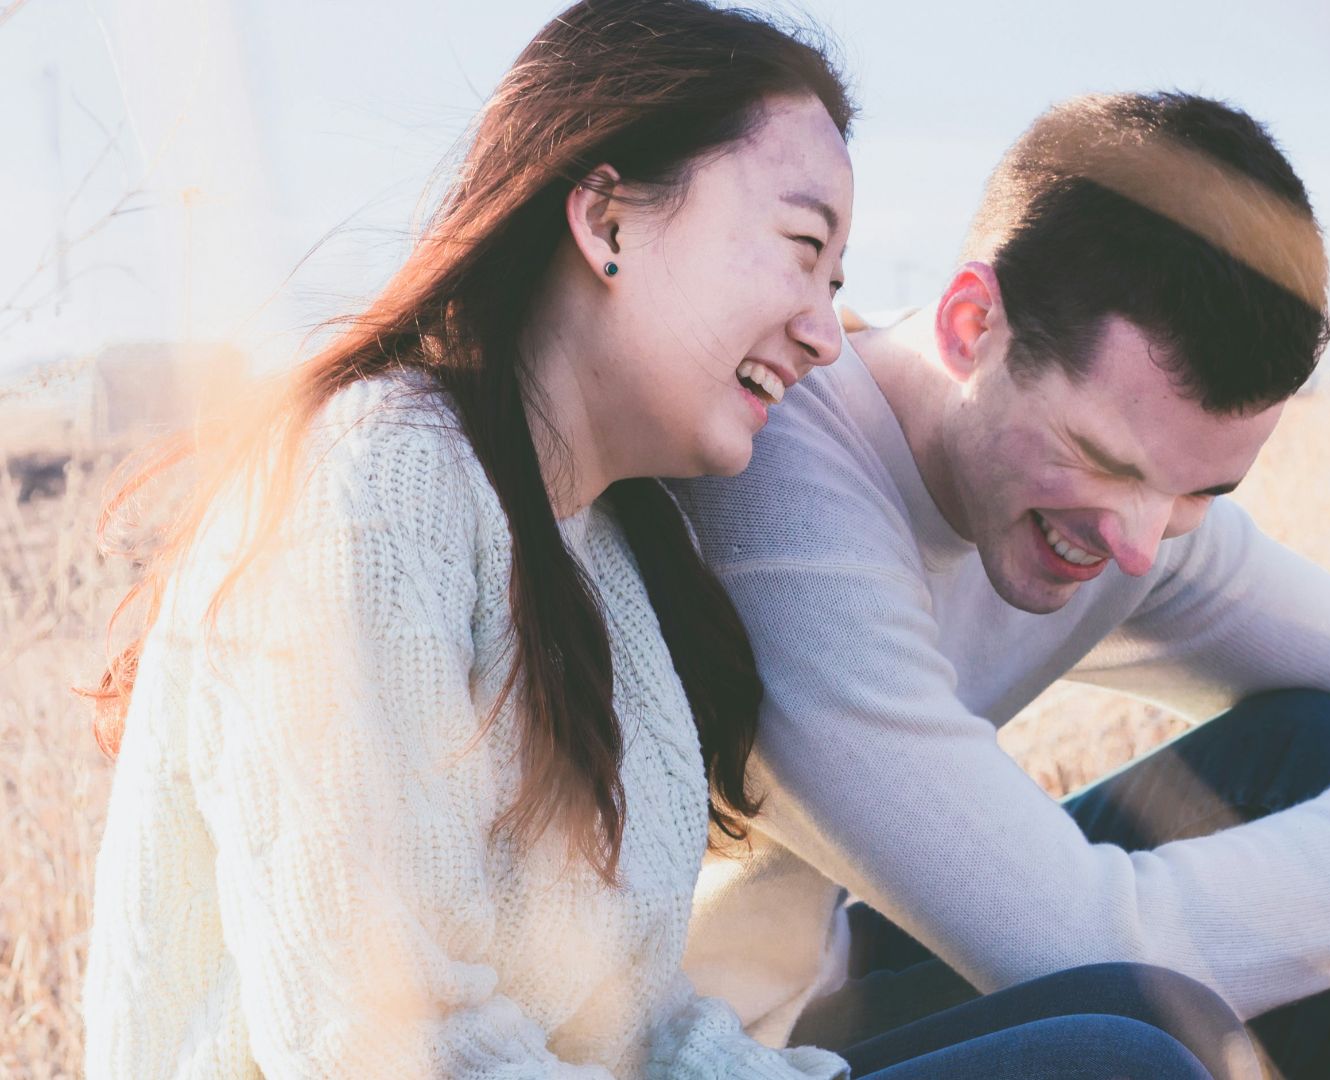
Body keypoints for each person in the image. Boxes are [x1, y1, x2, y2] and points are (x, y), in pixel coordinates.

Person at [80, 5, 1249, 1077]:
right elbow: (382, 1046)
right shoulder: (379, 482)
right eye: (801, 249)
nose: (824, 334)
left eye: (838, 280)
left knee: (1155, 1014)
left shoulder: (602, 551)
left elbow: (635, 1029)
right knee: (1118, 1061)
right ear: (606, 219)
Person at [668, 91, 1330, 1080]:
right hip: (700, 1046)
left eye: (1201, 489)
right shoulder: (786, 494)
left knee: (1328, 745)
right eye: (1104, 460)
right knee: (1134, 1054)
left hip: (832, 978)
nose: (1139, 544)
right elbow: (1085, 944)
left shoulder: (1123, 510)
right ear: (971, 324)